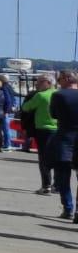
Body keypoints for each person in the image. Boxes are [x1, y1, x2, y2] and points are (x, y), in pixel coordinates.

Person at [50, 72, 78, 220]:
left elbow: (53, 115)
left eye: (60, 79)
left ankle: (68, 208)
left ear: (67, 79)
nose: (59, 82)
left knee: (63, 176)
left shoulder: (59, 95)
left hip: (65, 137)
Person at [25, 75, 57, 194]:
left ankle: (46, 185)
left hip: (43, 129)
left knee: (44, 158)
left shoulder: (41, 95)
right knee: (57, 158)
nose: (37, 84)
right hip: (58, 129)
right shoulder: (58, 94)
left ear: (47, 83)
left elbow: (26, 107)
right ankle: (57, 184)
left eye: (39, 82)